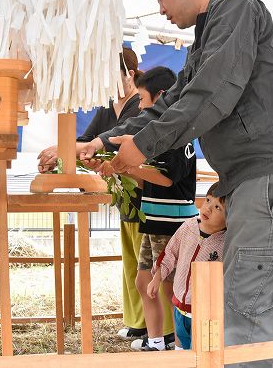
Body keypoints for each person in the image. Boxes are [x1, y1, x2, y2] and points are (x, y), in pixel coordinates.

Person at [79, 0, 273, 367]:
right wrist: (102, 142)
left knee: (248, 317)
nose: (159, 8)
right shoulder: (205, 38)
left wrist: (144, 145)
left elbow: (212, 91)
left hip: (271, 179)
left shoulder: (238, 11)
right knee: (256, 312)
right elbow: (171, 101)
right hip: (256, 183)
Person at [36, 47, 157, 341]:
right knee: (130, 260)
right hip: (122, 195)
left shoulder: (139, 108)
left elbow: (113, 143)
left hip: (143, 191)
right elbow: (85, 141)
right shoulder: (106, 108)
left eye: (112, 77)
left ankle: (151, 325)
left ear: (129, 75)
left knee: (146, 263)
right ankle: (135, 320)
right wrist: (61, 153)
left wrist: (81, 149)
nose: (108, 86)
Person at [98, 66, 198, 351]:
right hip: (152, 221)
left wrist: (129, 165)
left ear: (163, 97)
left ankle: (180, 345)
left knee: (168, 287)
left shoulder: (179, 135)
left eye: (142, 100)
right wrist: (119, 170)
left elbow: (167, 178)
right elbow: (147, 183)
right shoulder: (151, 138)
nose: (140, 107)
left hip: (172, 225)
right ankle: (155, 341)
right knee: (145, 282)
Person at [147, 181, 226, 350]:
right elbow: (169, 254)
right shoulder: (188, 227)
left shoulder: (226, 242)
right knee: (180, 350)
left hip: (205, 313)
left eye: (218, 207)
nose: (209, 208)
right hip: (180, 309)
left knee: (201, 355)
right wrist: (157, 278)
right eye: (208, 200)